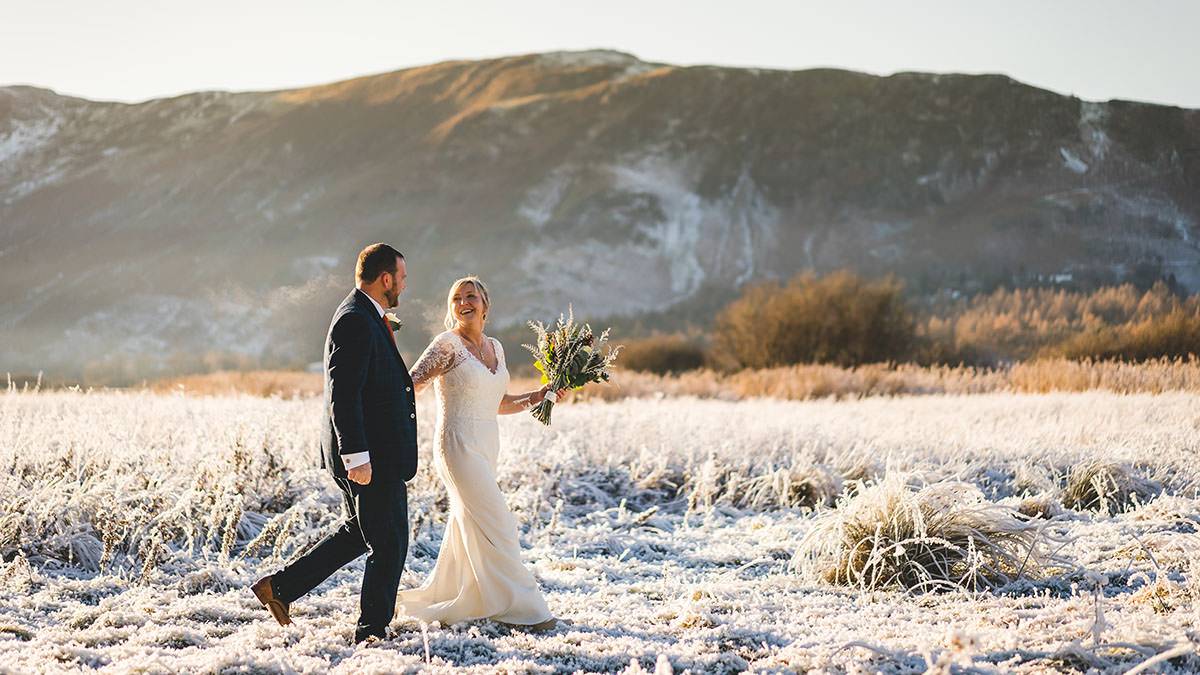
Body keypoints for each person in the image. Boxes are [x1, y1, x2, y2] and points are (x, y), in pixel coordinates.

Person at [251, 243, 416, 644]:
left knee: (361, 532)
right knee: (390, 541)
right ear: (386, 279)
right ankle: (371, 632)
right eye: (402, 278)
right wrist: (356, 456)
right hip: (369, 456)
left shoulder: (365, 314)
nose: (404, 285)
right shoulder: (356, 319)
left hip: (372, 453)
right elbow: (343, 394)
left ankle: (280, 588)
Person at [398, 275, 562, 631]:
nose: (463, 303)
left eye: (470, 296)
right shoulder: (447, 345)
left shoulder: (496, 347)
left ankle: (465, 597)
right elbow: (408, 385)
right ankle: (525, 610)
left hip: (488, 445)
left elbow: (498, 403)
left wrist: (538, 396)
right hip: (457, 445)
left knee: (470, 525)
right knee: (500, 523)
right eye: (456, 298)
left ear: (485, 304)